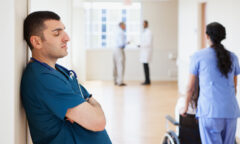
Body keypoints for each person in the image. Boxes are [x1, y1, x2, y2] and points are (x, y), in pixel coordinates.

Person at [21, 11, 112, 144]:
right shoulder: (43, 79)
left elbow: (87, 97)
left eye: (64, 31)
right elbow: (98, 122)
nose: (67, 38)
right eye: (57, 33)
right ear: (36, 41)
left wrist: (87, 104)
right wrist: (90, 105)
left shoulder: (58, 71)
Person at [181, 22, 240, 144]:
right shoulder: (233, 57)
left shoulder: (198, 56)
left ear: (207, 36)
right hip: (230, 111)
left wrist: (185, 107)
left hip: (210, 112)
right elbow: (235, 88)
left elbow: (190, 88)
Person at [138, 20, 153, 85]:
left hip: (146, 52)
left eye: (144, 24)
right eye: (142, 24)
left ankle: (147, 80)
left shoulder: (149, 32)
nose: (143, 25)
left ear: (147, 24)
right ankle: (147, 80)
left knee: (146, 66)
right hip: (144, 51)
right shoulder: (144, 32)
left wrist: (141, 45)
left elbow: (148, 43)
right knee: (145, 66)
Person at [113, 22, 127, 86]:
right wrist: (127, 43)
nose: (125, 27)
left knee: (116, 65)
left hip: (115, 49)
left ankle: (115, 80)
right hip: (119, 49)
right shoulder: (121, 32)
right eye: (124, 25)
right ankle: (120, 81)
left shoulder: (116, 31)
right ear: (121, 25)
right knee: (120, 65)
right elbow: (121, 44)